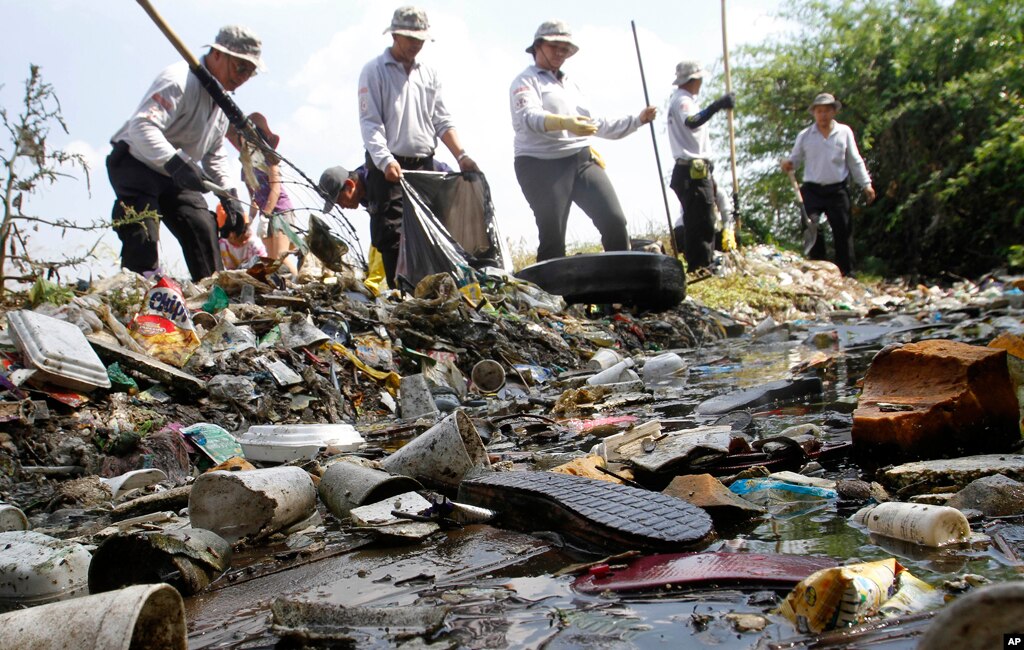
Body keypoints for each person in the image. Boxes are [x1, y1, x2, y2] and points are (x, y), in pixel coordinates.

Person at [107, 25, 263, 281]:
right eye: (240, 67)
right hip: (137, 162)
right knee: (142, 230)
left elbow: (214, 154)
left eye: (251, 71)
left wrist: (229, 195)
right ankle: (140, 293)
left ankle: (213, 293)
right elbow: (142, 126)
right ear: (216, 54)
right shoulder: (178, 79)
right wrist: (175, 162)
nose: (244, 76)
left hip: (179, 175)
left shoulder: (222, 102)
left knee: (202, 226)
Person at [510, 20, 656, 262]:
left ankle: (619, 289)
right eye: (554, 46)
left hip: (580, 159)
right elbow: (529, 117)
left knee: (615, 221)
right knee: (553, 236)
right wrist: (564, 123)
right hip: (540, 164)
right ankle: (547, 295)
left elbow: (594, 123)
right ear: (538, 46)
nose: (560, 53)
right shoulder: (525, 82)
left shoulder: (570, 84)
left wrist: (637, 120)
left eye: (565, 49)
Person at [357, 6, 480, 288]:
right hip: (388, 166)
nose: (415, 44)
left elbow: (441, 119)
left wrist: (461, 155)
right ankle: (402, 297)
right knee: (393, 235)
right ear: (395, 35)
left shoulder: (429, 73)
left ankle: (428, 296)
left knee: (428, 232)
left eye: (420, 39)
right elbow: (370, 123)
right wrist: (385, 160)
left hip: (424, 166)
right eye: (410, 38)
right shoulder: (374, 71)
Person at [781, 92, 875, 276]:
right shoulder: (805, 135)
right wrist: (788, 164)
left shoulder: (844, 132)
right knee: (811, 226)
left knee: (843, 232)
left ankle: (847, 274)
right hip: (812, 190)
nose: (823, 115)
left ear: (833, 112)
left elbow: (854, 161)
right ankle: (818, 270)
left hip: (837, 189)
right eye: (819, 111)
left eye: (826, 111)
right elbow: (795, 160)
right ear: (814, 113)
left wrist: (866, 184)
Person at [667, 60, 734, 270]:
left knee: (704, 217)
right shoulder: (683, 101)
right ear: (692, 80)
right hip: (691, 170)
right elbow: (693, 120)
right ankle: (700, 266)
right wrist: (717, 106)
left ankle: (702, 263)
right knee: (701, 220)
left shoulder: (683, 99)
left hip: (696, 169)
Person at [226, 112, 299, 277]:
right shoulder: (245, 168)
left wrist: (266, 215)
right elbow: (254, 198)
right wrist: (250, 220)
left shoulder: (270, 159)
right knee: (272, 261)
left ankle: (299, 286)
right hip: (265, 215)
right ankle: (285, 292)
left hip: (281, 211)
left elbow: (276, 189)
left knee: (282, 256)